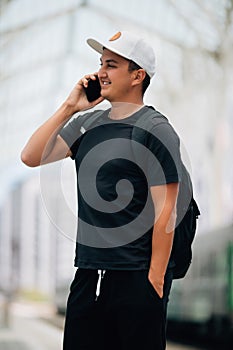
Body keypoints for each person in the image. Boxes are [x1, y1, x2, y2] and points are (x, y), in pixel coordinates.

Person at [21, 30, 182, 350]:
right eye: (100, 64)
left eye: (111, 65)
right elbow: (31, 156)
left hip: (136, 280)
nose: (100, 73)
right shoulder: (86, 125)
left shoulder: (156, 129)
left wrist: (155, 280)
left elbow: (167, 209)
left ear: (137, 76)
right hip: (87, 277)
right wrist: (70, 107)